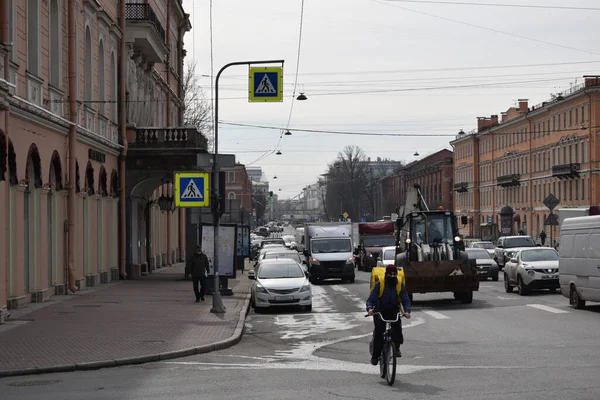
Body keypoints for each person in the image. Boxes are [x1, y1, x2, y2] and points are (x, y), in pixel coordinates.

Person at [366, 264, 411, 366]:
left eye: (394, 274)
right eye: (390, 274)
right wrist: (370, 309)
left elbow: (405, 298)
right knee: (379, 333)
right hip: (380, 311)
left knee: (397, 328)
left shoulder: (399, 284)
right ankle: (375, 356)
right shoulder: (380, 284)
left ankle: (397, 348)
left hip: (393, 310)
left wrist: (407, 311)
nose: (392, 276)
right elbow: (371, 299)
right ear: (386, 274)